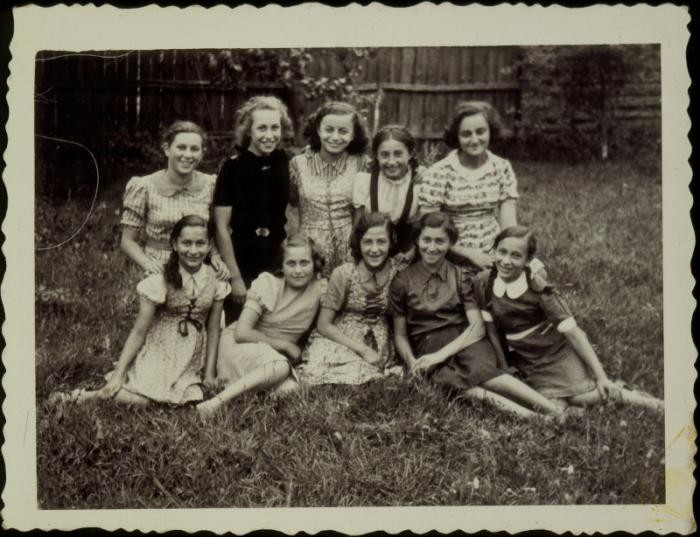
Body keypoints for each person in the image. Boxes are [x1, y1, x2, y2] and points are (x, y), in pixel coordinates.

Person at [389, 212, 563, 418]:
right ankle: (537, 419)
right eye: (426, 240)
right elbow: (400, 334)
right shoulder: (402, 281)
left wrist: (441, 355)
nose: (432, 247)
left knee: (487, 376)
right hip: (428, 345)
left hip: (467, 340)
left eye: (440, 241)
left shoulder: (460, 276)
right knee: (465, 391)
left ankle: (552, 410)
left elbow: (477, 327)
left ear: (450, 243)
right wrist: (412, 363)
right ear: (417, 240)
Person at [472, 226, 664, 412]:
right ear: (493, 251)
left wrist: (602, 377)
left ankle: (638, 399)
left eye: (516, 256)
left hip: (555, 353)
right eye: (501, 252)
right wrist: (505, 368)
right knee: (540, 403)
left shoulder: (540, 290)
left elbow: (574, 334)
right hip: (525, 359)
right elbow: (492, 331)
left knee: (584, 397)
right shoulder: (484, 282)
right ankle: (566, 405)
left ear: (528, 260)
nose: (506, 261)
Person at [50, 215, 229, 406]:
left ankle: (100, 397)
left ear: (209, 245)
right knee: (151, 397)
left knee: (180, 399)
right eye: (186, 243)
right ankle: (84, 397)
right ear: (175, 245)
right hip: (160, 348)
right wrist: (118, 374)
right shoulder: (161, 280)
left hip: (192, 354)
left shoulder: (215, 280)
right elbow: (139, 330)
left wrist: (209, 374)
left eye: (200, 243)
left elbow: (213, 329)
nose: (193, 251)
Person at [196, 234, 327, 416]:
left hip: (270, 356)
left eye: (304, 263)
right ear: (281, 265)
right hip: (240, 345)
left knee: (291, 388)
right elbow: (242, 333)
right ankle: (215, 404)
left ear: (315, 265)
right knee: (280, 367)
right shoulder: (269, 283)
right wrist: (286, 345)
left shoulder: (320, 289)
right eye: (291, 263)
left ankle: (248, 401)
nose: (298, 270)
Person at [418, 101, 527, 273]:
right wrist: (470, 254)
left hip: (493, 251)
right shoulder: (439, 172)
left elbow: (508, 226)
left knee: (536, 275)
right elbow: (429, 229)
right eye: (466, 134)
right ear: (457, 136)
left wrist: (511, 253)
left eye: (480, 132)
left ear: (490, 132)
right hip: (449, 252)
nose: (474, 140)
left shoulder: (501, 168)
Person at [213, 96, 295, 324]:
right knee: (239, 324)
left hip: (273, 257)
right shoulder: (232, 168)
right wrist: (236, 278)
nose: (269, 135)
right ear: (248, 131)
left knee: (271, 320)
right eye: (262, 128)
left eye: (275, 127)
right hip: (241, 259)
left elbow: (279, 220)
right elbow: (221, 226)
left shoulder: (282, 162)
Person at [298, 212, 406, 385]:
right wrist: (362, 350)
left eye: (381, 242)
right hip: (343, 338)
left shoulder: (397, 273)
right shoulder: (344, 274)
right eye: (368, 242)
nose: (374, 249)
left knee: (369, 374)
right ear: (358, 242)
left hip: (379, 340)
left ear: (391, 242)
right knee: (328, 369)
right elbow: (323, 325)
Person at [120, 121, 228, 278]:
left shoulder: (211, 185)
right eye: (181, 147)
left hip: (200, 264)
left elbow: (218, 229)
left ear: (202, 153)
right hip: (159, 268)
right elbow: (127, 241)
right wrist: (147, 263)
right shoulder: (144, 186)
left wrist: (216, 256)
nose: (188, 155)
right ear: (166, 149)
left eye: (194, 149)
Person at [289, 101, 370, 277]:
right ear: (318, 130)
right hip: (310, 249)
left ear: (353, 134)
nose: (335, 137)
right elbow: (290, 206)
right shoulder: (298, 164)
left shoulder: (361, 163)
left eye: (343, 131)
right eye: (329, 129)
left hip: (349, 248)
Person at [352, 124, 424, 252]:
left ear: (410, 154)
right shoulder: (365, 182)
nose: (391, 162)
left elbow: (423, 226)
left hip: (408, 251)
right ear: (376, 155)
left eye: (398, 154)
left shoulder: (420, 181)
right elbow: (357, 227)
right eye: (384, 155)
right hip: (373, 249)